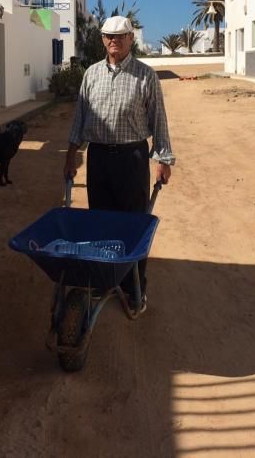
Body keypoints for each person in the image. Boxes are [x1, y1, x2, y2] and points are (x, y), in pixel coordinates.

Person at [64, 16, 175, 312]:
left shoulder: (145, 75)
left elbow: (158, 120)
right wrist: (71, 153)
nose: (115, 40)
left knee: (132, 227)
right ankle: (103, 281)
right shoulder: (91, 75)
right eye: (109, 36)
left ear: (131, 39)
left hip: (132, 158)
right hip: (98, 158)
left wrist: (163, 158)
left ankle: (134, 289)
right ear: (102, 39)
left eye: (121, 36)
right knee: (100, 223)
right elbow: (79, 119)